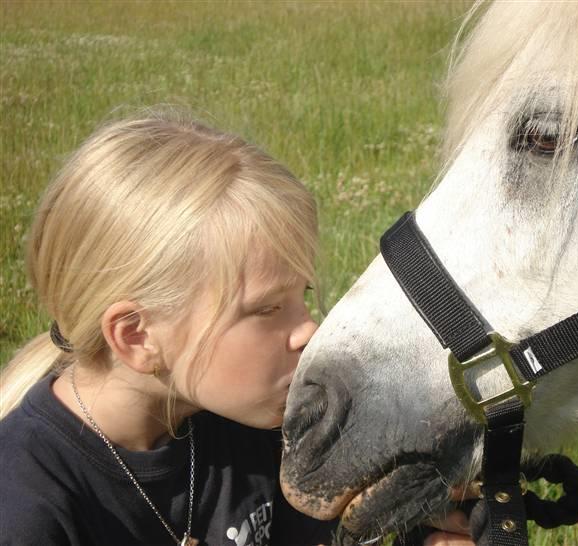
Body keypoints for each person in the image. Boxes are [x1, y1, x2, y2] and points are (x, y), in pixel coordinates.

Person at [0, 110, 474, 546]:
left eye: (303, 297)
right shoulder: (26, 509)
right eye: (268, 309)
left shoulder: (259, 430)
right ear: (137, 336)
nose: (310, 330)